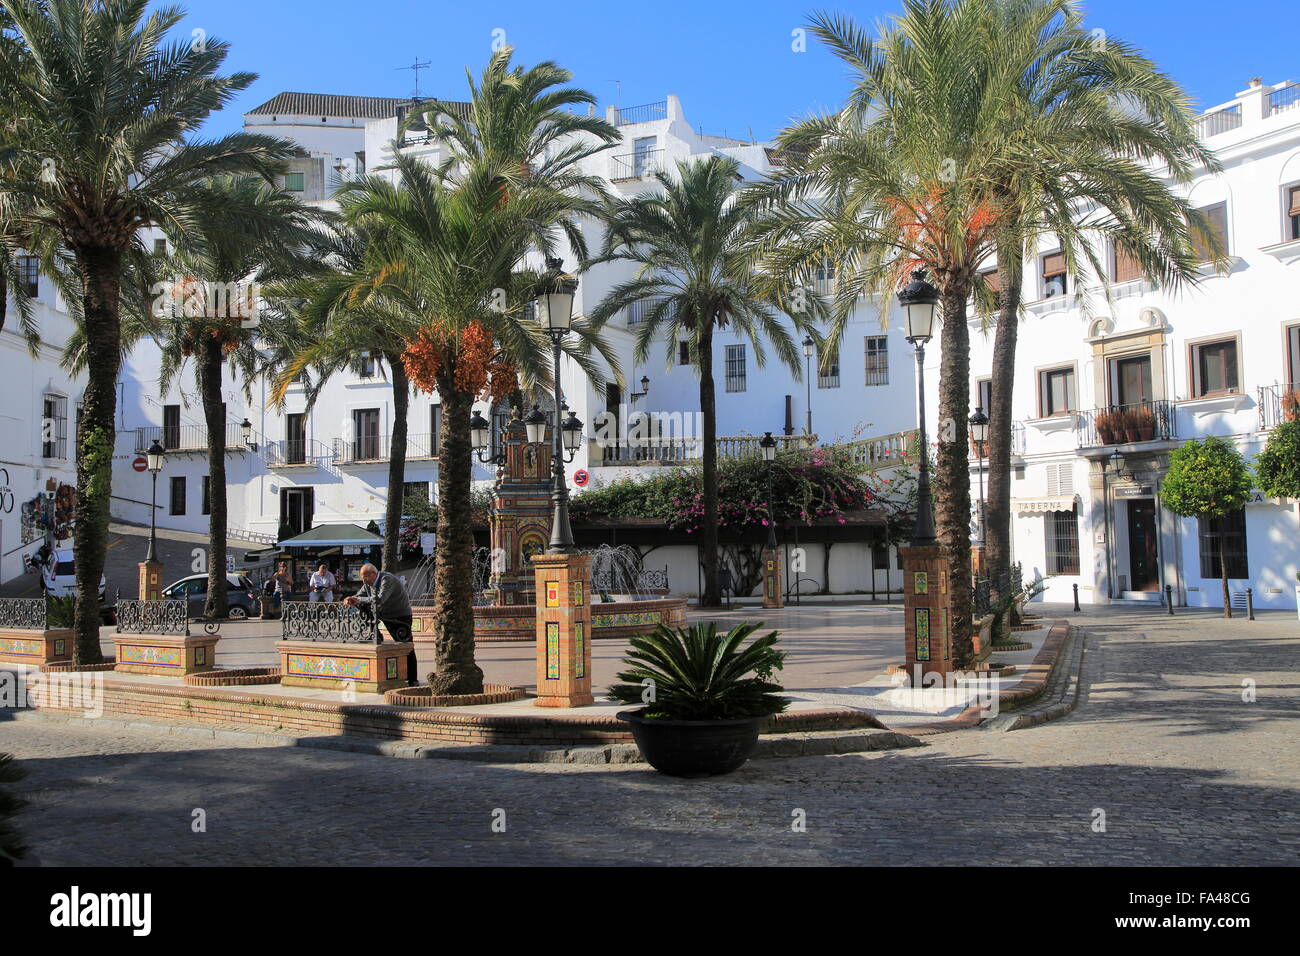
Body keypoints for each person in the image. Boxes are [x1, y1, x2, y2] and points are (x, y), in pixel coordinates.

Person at [344, 563, 417, 686]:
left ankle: (413, 679)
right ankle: (375, 633)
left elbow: (380, 598)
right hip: (385, 614)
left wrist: (359, 599)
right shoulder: (367, 584)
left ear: (373, 574)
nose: (364, 582)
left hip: (400, 615)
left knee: (406, 645)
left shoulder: (386, 579)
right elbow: (359, 596)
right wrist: (351, 598)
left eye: (365, 578)